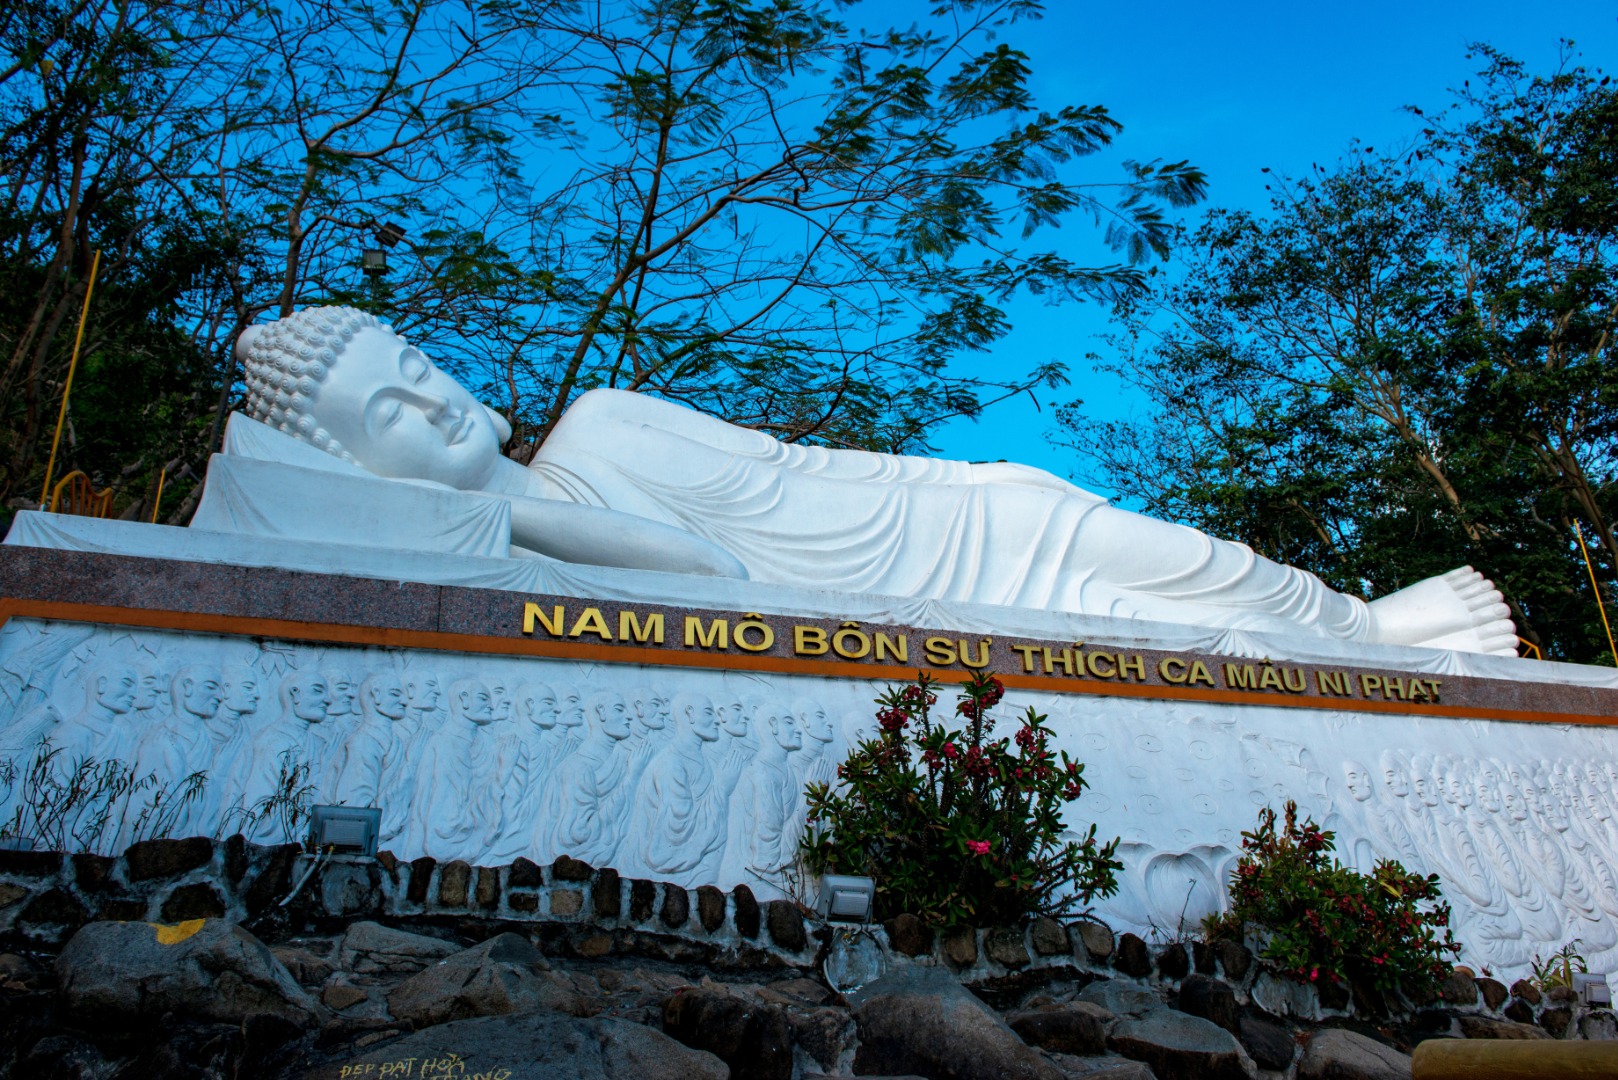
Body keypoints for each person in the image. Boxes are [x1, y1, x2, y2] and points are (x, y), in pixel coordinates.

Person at [235, 307, 1517, 653]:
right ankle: (1388, 653)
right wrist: (503, 512)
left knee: (1162, 557)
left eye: (418, 364)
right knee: (1164, 634)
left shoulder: (600, 419)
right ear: (354, 461)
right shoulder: (526, 533)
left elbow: (801, 469)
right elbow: (715, 576)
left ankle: (1364, 620)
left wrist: (964, 483)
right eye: (390, 414)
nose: (436, 401)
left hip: (930, 524)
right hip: (895, 614)